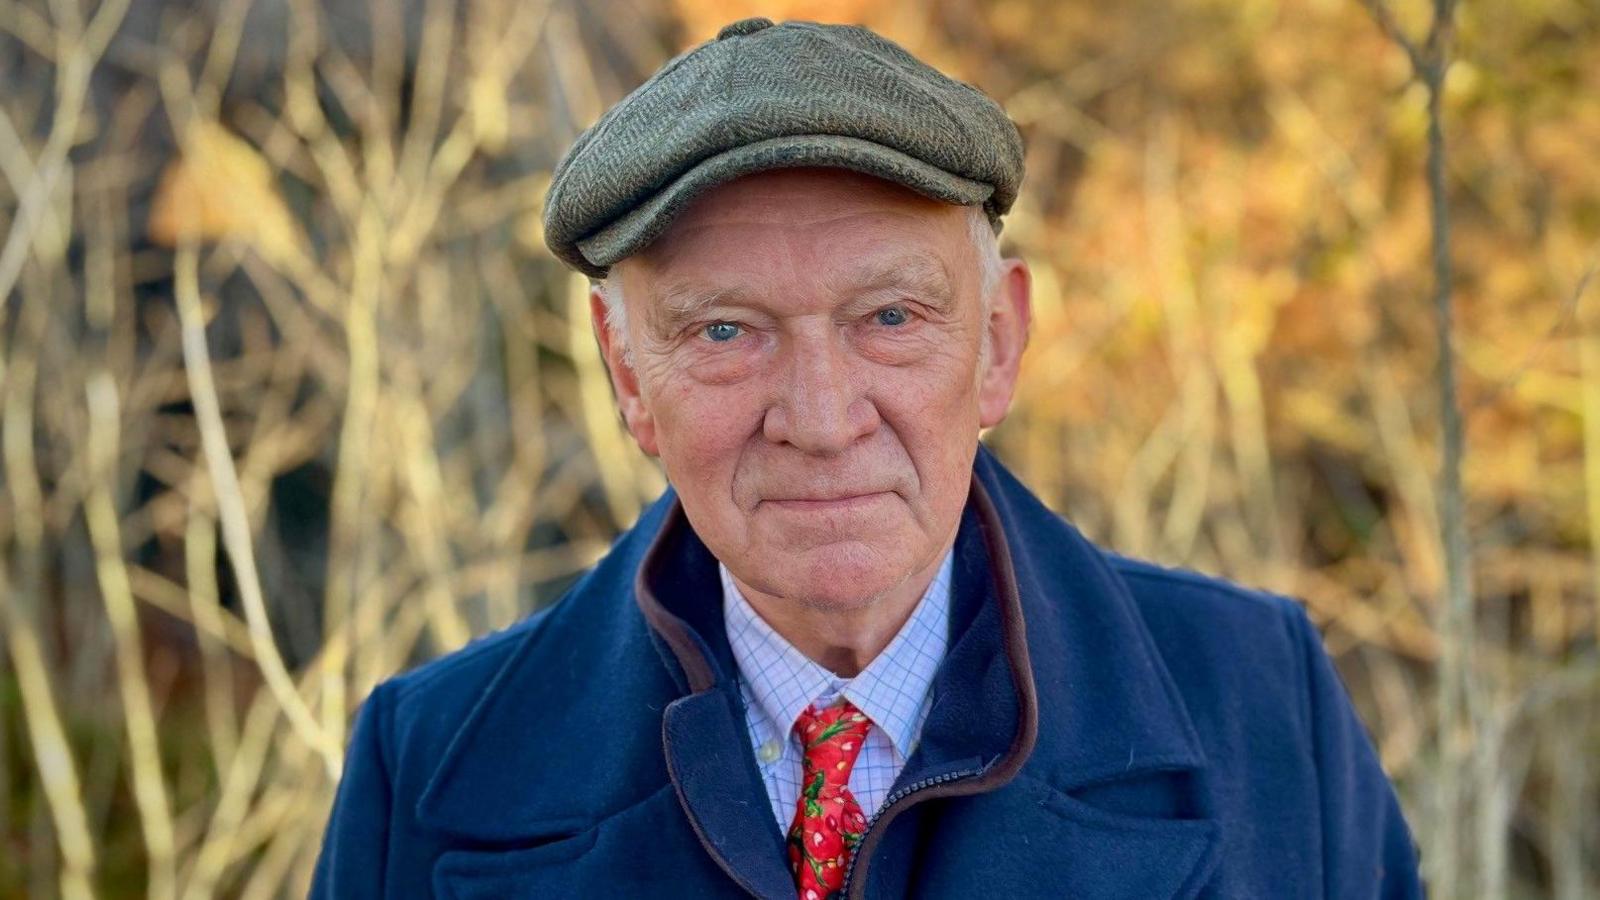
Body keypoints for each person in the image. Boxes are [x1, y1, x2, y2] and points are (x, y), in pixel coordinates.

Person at [311, 17, 1422, 899]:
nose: (824, 417)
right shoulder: (433, 761)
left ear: (997, 343)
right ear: (626, 375)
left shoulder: (1261, 703)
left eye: (889, 317)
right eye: (725, 332)